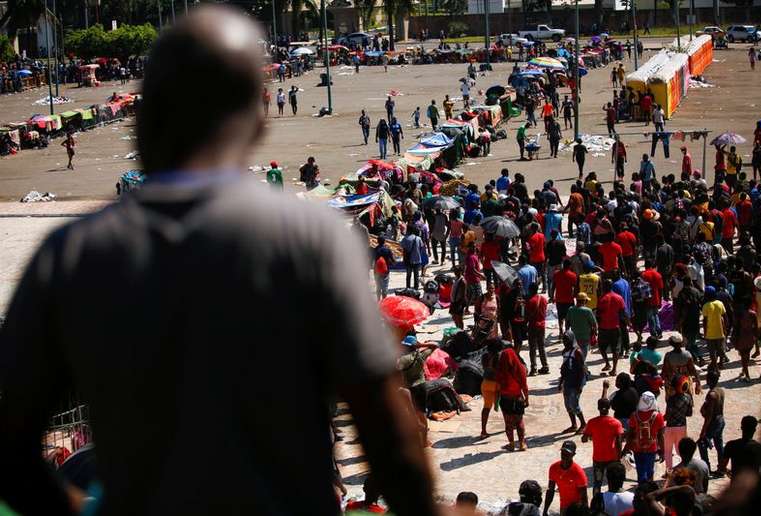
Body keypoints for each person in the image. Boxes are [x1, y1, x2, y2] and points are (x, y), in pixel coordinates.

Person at [0, 7, 439, 515]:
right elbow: (390, 442)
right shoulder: (311, 239)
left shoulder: (72, 255)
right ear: (258, 118)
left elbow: (11, 446)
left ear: (142, 118)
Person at [397, 336, 438, 448]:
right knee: (422, 413)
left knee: (412, 414)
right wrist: (421, 345)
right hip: (422, 386)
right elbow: (435, 345)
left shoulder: (403, 359)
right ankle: (424, 441)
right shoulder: (421, 355)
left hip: (409, 388)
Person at [582, 398, 624, 495]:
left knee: (597, 482)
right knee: (612, 482)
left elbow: (584, 439)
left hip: (598, 458)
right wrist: (619, 457)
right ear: (609, 408)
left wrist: (591, 435)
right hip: (612, 458)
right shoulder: (616, 423)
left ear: (598, 408)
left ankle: (596, 503)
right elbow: (619, 441)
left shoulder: (592, 422)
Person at [626, 391, 665, 483]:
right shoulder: (658, 416)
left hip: (637, 448)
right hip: (651, 448)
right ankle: (649, 491)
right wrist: (663, 451)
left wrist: (627, 448)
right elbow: (660, 436)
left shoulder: (634, 415)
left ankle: (641, 489)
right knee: (650, 471)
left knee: (640, 471)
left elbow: (630, 434)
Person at [496, 341, 529, 451]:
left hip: (505, 399)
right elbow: (524, 385)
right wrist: (527, 398)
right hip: (518, 398)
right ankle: (522, 444)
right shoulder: (520, 369)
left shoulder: (501, 369)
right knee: (519, 421)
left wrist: (496, 401)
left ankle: (511, 444)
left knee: (508, 423)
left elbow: (498, 386)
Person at [544, 441, 589, 515]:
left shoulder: (578, 473)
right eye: (563, 452)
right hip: (563, 507)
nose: (564, 455)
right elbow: (550, 491)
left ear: (573, 454)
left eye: (567, 454)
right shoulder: (553, 468)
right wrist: (545, 510)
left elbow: (584, 498)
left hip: (576, 510)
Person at [597, 279, 628, 376]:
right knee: (616, 350)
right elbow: (623, 313)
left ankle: (607, 363)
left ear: (604, 287)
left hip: (604, 327)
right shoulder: (619, 298)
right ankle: (614, 369)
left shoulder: (602, 299)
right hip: (615, 327)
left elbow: (598, 314)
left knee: (602, 347)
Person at [663, 377, 693, 474]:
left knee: (668, 451)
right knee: (681, 450)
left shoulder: (671, 399)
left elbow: (667, 415)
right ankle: (684, 469)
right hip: (682, 426)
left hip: (670, 426)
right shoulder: (688, 397)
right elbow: (689, 413)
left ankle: (668, 472)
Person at [558, 332, 587, 434]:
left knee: (574, 404)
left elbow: (582, 369)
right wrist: (561, 381)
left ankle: (583, 424)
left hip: (576, 381)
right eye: (564, 340)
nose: (565, 342)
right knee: (567, 404)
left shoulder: (577, 352)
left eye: (567, 340)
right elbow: (564, 368)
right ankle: (574, 425)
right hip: (568, 380)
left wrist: (580, 385)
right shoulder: (565, 352)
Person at [698, 368, 725, 474]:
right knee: (719, 444)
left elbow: (708, 416)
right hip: (721, 420)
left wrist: (703, 431)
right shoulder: (720, 390)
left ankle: (707, 468)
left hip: (713, 422)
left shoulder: (711, 395)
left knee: (702, 443)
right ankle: (721, 468)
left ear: (709, 380)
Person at [480, 339, 503, 439]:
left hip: (485, 383)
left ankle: (483, 431)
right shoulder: (499, 356)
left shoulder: (485, 356)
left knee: (486, 407)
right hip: (497, 384)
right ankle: (511, 425)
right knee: (505, 405)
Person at [702, 286, 728, 371]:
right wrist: (726, 328)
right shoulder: (720, 303)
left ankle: (716, 367)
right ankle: (721, 363)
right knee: (721, 349)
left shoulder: (705, 306)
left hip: (710, 334)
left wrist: (705, 332)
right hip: (720, 332)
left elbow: (705, 321)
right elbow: (725, 316)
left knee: (712, 352)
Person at [526, 283, 549, 376]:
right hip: (542, 325)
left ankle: (534, 368)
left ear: (531, 290)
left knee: (532, 348)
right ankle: (545, 366)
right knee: (541, 347)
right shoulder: (543, 299)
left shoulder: (530, 301)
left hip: (532, 325)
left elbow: (526, 316)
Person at [566, 292, 597, 359]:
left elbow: (567, 322)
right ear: (584, 301)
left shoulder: (571, 309)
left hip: (574, 336)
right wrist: (595, 333)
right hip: (585, 336)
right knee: (583, 353)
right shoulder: (588, 311)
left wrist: (567, 332)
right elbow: (594, 324)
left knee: (575, 352)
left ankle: (577, 365)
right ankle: (581, 366)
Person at [641, 260, 664, 338]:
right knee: (655, 314)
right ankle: (659, 330)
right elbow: (661, 289)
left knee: (650, 317)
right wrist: (660, 300)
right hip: (656, 298)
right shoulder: (658, 275)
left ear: (645, 266)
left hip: (647, 300)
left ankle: (653, 333)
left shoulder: (643, 275)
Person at [401, 225, 423, 290]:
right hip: (417, 259)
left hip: (408, 260)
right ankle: (416, 287)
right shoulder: (418, 238)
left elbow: (402, 246)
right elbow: (421, 247)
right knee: (416, 275)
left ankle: (408, 287)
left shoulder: (405, 239)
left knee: (408, 275)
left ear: (408, 230)